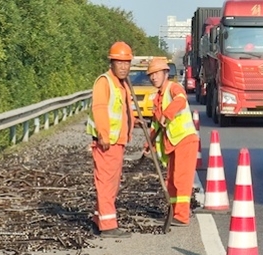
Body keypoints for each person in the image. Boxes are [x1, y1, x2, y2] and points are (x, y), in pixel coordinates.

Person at [85, 41, 137, 238]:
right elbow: (99, 109)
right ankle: (108, 226)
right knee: (106, 183)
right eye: (120, 62)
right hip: (107, 143)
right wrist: (104, 136)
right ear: (112, 63)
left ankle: (99, 220)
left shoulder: (121, 84)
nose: (124, 66)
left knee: (111, 184)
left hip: (117, 142)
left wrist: (129, 131)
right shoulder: (105, 82)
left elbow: (124, 111)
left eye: (127, 63)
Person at [145, 58, 199, 227]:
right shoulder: (157, 98)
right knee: (171, 179)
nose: (153, 78)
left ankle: (182, 216)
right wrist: (149, 144)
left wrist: (166, 114)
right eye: (151, 75)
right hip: (173, 142)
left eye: (156, 74)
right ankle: (174, 211)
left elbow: (181, 100)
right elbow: (155, 125)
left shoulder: (173, 88)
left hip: (185, 139)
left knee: (181, 178)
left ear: (165, 73)